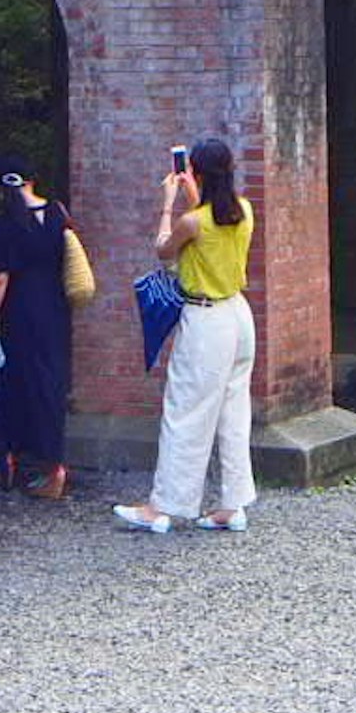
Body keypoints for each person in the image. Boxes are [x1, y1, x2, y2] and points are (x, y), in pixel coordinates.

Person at [114, 135, 256, 536]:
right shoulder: (244, 210)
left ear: (194, 171)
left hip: (205, 319)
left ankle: (163, 507)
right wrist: (193, 194)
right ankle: (233, 503)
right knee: (233, 411)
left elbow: (164, 249)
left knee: (184, 413)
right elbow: (213, 221)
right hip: (239, 316)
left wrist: (166, 204)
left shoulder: (191, 221)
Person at [0, 167, 75, 500]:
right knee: (50, 384)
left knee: (14, 384)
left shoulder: (4, 224)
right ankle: (52, 467)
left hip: (20, 313)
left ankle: (8, 457)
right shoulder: (57, 212)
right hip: (56, 310)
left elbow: (0, 279)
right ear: (32, 180)